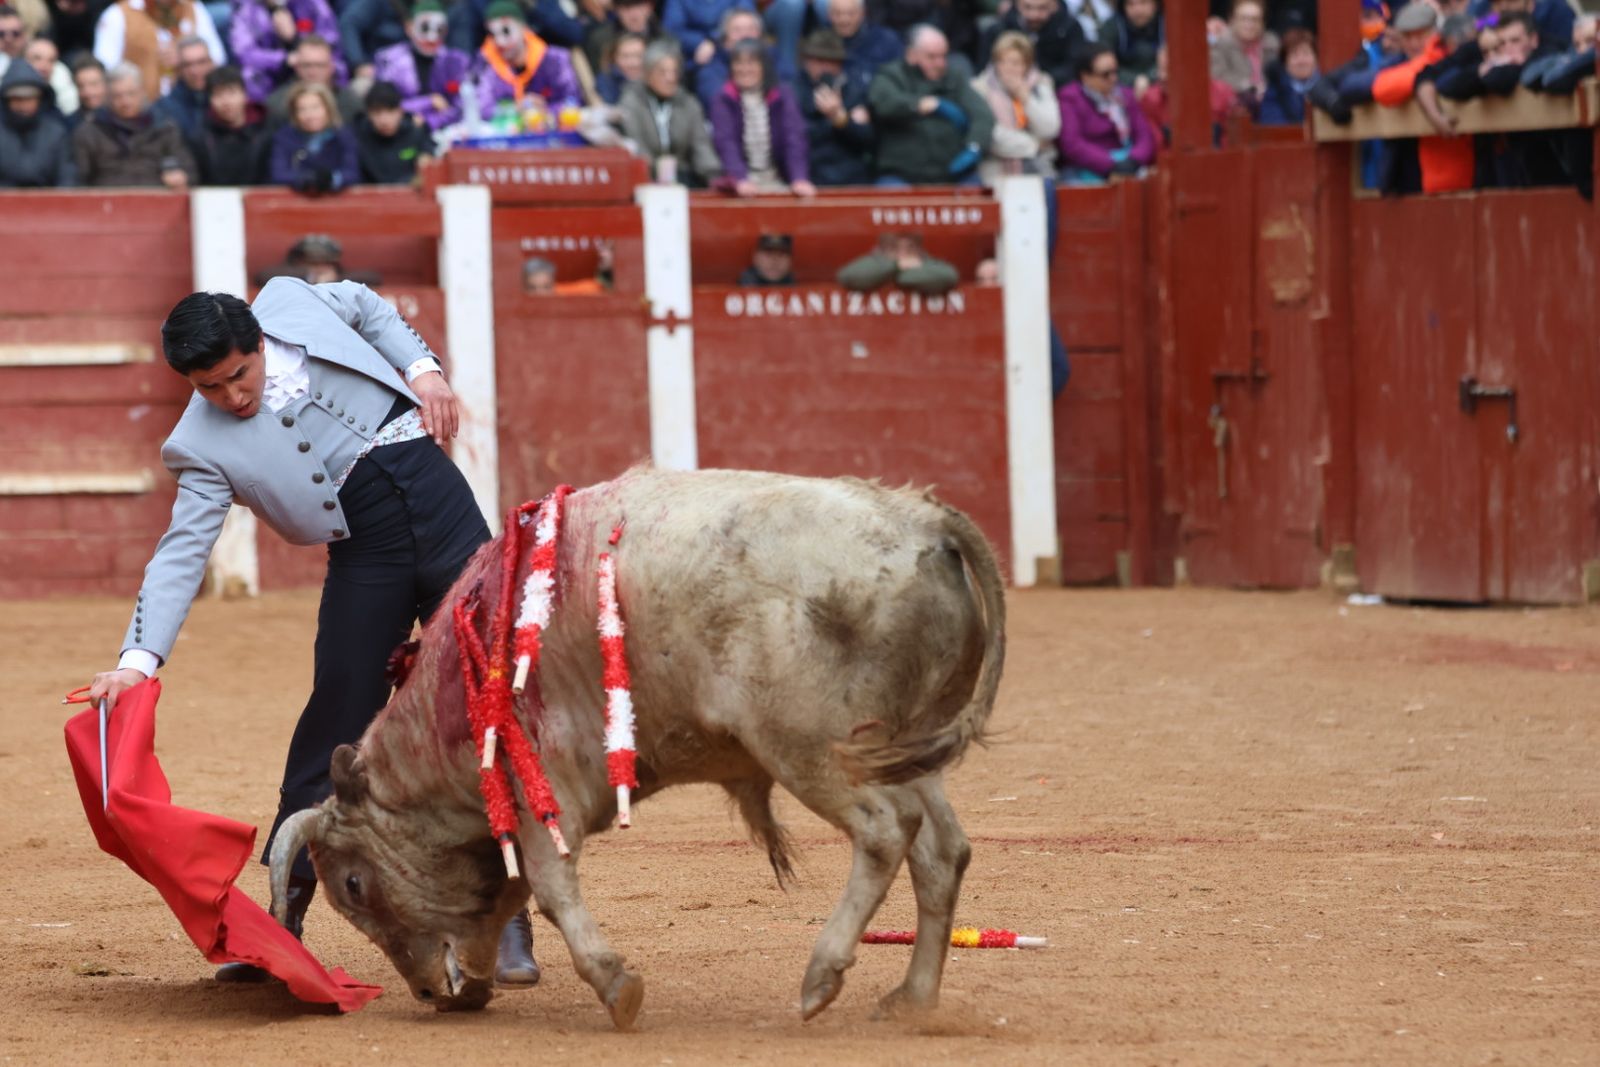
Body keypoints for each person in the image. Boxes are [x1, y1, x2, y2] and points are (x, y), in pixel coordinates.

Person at [81, 280, 542, 989]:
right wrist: (137, 662)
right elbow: (181, 551)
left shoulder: (296, 301)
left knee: (485, 701)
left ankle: (505, 915)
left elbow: (368, 306)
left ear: (260, 341)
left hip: (446, 512)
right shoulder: (198, 445)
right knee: (335, 719)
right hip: (368, 553)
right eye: (211, 387)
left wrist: (423, 370)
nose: (234, 396)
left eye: (241, 373)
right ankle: (279, 912)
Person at [867, 24, 993, 186]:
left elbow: (982, 115)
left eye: (943, 56)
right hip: (902, 175)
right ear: (911, 55)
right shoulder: (892, 75)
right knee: (888, 198)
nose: (940, 63)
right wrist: (921, 104)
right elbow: (882, 103)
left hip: (953, 173)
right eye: (932, 57)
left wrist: (975, 146)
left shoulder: (954, 79)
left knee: (979, 198)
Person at [709, 38, 813, 196]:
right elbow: (725, 141)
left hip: (779, 180)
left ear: (764, 66)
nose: (744, 69)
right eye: (738, 63)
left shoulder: (783, 96)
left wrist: (799, 178)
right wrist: (740, 178)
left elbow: (794, 138)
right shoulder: (723, 98)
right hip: (739, 184)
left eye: (751, 63)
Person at [73, 60, 196, 184]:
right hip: (106, 200)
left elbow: (190, 172)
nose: (125, 102)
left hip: (155, 198)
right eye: (118, 96)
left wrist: (181, 177)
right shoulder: (90, 132)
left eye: (131, 93)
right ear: (108, 97)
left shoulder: (165, 129)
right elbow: (77, 179)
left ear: (143, 92)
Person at [616, 41, 720, 185]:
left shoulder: (688, 103)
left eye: (674, 71)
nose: (670, 78)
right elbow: (636, 143)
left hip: (683, 175)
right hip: (646, 176)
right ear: (647, 73)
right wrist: (656, 172)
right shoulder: (632, 101)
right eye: (662, 72)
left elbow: (700, 145)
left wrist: (713, 176)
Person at [468, 0, 582, 120]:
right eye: (492, 34)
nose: (499, 42)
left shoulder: (555, 60)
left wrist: (544, 110)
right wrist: (515, 108)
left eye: (506, 31)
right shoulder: (486, 65)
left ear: (523, 28)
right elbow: (480, 109)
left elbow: (572, 100)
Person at [1057, 43, 1154, 183]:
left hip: (1129, 166)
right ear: (1085, 76)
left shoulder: (1126, 94)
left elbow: (1144, 135)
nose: (1113, 78)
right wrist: (1111, 165)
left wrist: (1134, 161)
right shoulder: (1070, 98)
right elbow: (1072, 145)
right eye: (1105, 74)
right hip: (1087, 170)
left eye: (1115, 72)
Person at [92, 0, 225, 101]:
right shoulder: (117, 14)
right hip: (143, 109)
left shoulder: (192, 7)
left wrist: (185, 58)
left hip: (190, 102)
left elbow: (218, 58)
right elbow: (105, 68)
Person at [972, 29, 1059, 182]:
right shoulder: (980, 88)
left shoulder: (1042, 83)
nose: (1007, 68)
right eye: (1001, 61)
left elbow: (1050, 129)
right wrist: (1034, 144)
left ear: (1027, 65)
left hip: (1038, 167)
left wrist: (1026, 98)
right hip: (995, 169)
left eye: (1015, 63)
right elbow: (991, 136)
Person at [372, 0, 473, 132]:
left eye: (439, 29)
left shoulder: (457, 61)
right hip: (400, 132)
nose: (432, 38)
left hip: (446, 131)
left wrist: (428, 122)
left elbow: (462, 108)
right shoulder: (388, 60)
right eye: (424, 28)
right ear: (409, 27)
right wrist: (428, 102)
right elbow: (386, 105)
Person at [794, 28, 873, 186]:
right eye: (819, 60)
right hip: (808, 175)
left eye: (831, 61)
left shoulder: (854, 90)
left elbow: (867, 139)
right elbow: (796, 135)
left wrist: (839, 117)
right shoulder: (794, 90)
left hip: (851, 177)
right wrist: (836, 120)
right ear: (806, 61)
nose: (825, 67)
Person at [231, 0, 344, 104]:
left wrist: (295, 39)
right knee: (249, 75)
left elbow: (330, 38)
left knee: (335, 65)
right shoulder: (246, 11)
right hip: (274, 71)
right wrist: (284, 59)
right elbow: (244, 54)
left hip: (308, 59)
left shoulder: (312, 3)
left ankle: (336, 105)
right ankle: (265, 115)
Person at [268, 80, 359, 191]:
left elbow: (353, 173)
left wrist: (332, 178)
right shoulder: (284, 137)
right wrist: (307, 179)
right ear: (294, 114)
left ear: (328, 109)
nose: (309, 115)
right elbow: (278, 174)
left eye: (315, 107)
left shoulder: (344, 136)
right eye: (302, 109)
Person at [0, 55, 75, 185]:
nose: (23, 105)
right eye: (17, 99)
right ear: (6, 101)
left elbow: (67, 178)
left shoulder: (56, 133)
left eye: (29, 99)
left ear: (40, 99)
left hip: (50, 203)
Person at [978, 0, 1085, 88]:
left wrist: (1044, 80)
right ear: (1017, 4)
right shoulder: (998, 30)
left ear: (1054, 5)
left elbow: (1074, 66)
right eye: (1027, 7)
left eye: (1042, 8)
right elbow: (984, 67)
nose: (1034, 15)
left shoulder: (1070, 29)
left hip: (1053, 91)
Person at [265, 35, 363, 127]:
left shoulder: (350, 102)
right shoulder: (278, 104)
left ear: (331, 67)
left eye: (320, 65)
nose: (313, 72)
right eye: (307, 65)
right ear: (297, 67)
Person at [191, 64, 267, 184]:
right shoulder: (201, 138)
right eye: (218, 95)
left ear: (245, 95)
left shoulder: (264, 133)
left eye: (231, 93)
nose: (226, 102)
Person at [354, 78, 432, 184]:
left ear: (400, 111)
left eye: (390, 111)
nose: (384, 120)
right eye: (377, 112)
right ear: (368, 114)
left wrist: (425, 166)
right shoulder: (357, 137)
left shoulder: (415, 133)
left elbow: (428, 157)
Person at [663, 0, 752, 85]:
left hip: (732, 48)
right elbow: (672, 29)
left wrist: (714, 39)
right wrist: (700, 42)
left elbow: (747, 19)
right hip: (694, 56)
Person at [836, 232, 959, 293]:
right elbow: (847, 276)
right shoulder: (876, 261)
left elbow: (949, 276)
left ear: (918, 249)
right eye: (895, 248)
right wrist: (896, 266)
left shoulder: (926, 262)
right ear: (885, 249)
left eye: (909, 248)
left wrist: (899, 275)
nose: (903, 254)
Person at [691, 6, 760, 114]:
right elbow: (716, 101)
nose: (744, 36)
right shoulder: (712, 65)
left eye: (750, 29)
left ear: (759, 34)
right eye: (737, 30)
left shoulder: (773, 59)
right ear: (725, 38)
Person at [1208, 0, 1278, 106]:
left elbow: (1280, 75)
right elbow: (1218, 76)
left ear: (1263, 22)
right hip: (1235, 103)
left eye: (1255, 20)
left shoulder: (1272, 43)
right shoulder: (1221, 44)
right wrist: (1249, 87)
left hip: (1269, 101)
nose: (1249, 24)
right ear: (1232, 20)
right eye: (1244, 19)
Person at [822, 0, 899, 89]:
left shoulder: (886, 41)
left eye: (850, 13)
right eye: (837, 14)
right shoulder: (819, 43)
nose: (844, 20)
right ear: (828, 15)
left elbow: (895, 81)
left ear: (862, 13)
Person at [585, 0, 674, 74]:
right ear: (617, 10)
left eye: (639, 6)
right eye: (626, 8)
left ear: (650, 7)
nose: (633, 14)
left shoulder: (665, 40)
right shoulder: (600, 40)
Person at [149, 32, 210, 139]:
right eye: (188, 65)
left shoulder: (223, 101)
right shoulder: (164, 108)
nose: (195, 71)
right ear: (179, 69)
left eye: (201, 62)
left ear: (211, 63)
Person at [1256, 25, 1316, 125]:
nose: (1301, 61)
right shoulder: (1274, 92)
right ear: (1285, 62)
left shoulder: (1328, 89)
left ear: (1316, 58)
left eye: (1306, 54)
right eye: (1294, 55)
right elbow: (1273, 127)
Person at [24, 34, 80, 114]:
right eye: (37, 58)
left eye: (51, 60)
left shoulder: (64, 94)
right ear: (24, 60)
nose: (44, 66)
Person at [1114, 0, 1162, 88]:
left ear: (1155, 4)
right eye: (1130, 4)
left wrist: (1149, 78)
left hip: (1160, 81)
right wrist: (1135, 80)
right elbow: (1105, 64)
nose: (1137, 10)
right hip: (1122, 87)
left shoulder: (1168, 23)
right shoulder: (1113, 26)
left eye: (1143, 2)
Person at [595, 29, 646, 105]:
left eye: (639, 56)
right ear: (614, 58)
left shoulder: (655, 79)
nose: (633, 63)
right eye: (625, 56)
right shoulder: (606, 80)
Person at [69, 53, 105, 126]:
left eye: (93, 84)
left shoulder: (121, 117)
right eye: (81, 86)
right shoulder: (69, 124)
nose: (88, 92)